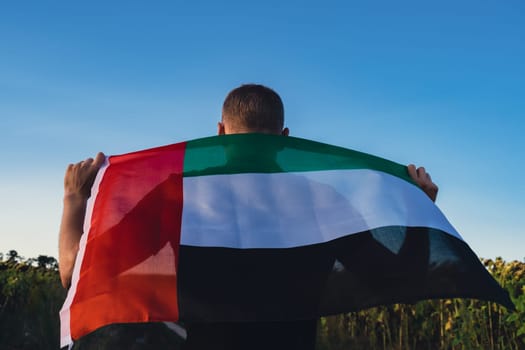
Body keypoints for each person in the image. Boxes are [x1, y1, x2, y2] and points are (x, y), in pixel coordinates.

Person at [59, 84, 438, 349]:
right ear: (285, 137)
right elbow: (400, 276)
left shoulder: (181, 194)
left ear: (220, 132)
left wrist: (75, 199)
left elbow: (71, 271)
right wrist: (419, 208)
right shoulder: (321, 200)